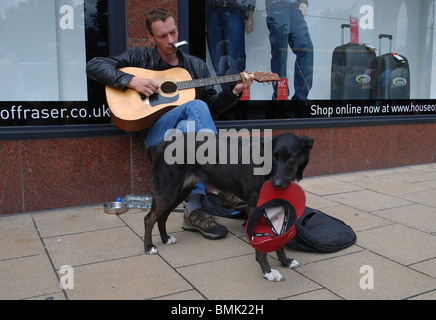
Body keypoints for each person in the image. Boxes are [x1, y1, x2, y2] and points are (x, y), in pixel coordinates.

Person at [87, 8, 254, 240]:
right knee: (195, 108)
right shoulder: (140, 58)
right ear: (151, 38)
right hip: (151, 130)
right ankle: (223, 184)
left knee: (189, 126)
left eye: (173, 33)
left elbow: (211, 108)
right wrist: (131, 80)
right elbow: (94, 65)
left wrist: (234, 91)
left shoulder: (195, 66)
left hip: (182, 136)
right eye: (163, 36)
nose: (171, 40)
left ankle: (194, 210)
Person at [265, 0, 314, 101]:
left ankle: (300, 99)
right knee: (280, 54)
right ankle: (280, 97)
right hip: (277, 7)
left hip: (295, 8)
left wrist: (303, 1)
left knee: (306, 50)